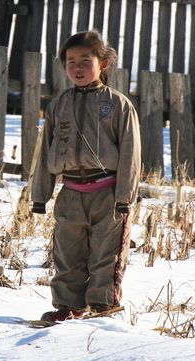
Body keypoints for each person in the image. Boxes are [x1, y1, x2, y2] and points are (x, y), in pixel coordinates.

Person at [31, 30, 141, 322]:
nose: (77, 68)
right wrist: (40, 196)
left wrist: (124, 198)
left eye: (85, 60)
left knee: (106, 257)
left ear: (103, 64)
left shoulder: (117, 105)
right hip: (70, 194)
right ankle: (68, 306)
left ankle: (103, 307)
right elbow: (45, 154)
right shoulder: (59, 105)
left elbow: (131, 154)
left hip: (108, 194)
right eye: (70, 62)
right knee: (67, 255)